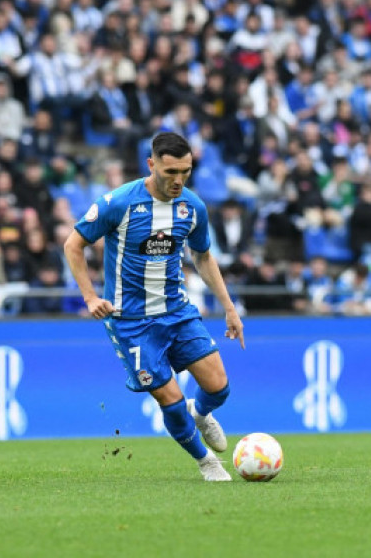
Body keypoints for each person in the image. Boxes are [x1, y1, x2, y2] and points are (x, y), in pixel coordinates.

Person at [65, 132, 244, 482]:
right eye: (170, 172)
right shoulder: (118, 203)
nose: (178, 180)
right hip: (131, 321)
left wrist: (229, 307)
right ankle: (206, 461)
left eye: (186, 172)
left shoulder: (193, 207)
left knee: (219, 387)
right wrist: (89, 296)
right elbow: (74, 244)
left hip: (177, 311)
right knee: (170, 398)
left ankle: (202, 415)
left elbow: (203, 255)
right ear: (151, 165)